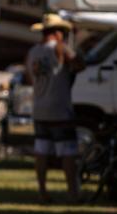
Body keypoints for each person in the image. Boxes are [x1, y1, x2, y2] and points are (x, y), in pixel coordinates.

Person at [25, 13, 85, 203]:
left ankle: (42, 191)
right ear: (58, 33)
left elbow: (29, 78)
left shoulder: (33, 52)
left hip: (39, 109)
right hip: (60, 109)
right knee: (68, 153)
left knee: (41, 151)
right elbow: (80, 65)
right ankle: (73, 193)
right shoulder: (60, 47)